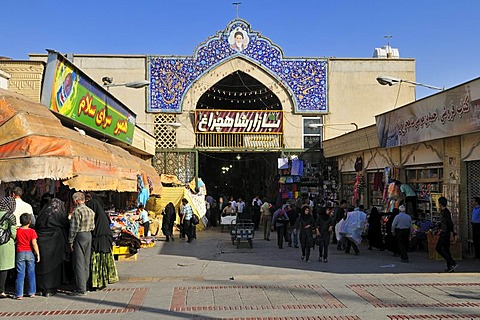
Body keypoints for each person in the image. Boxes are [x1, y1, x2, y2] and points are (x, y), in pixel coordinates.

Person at [35, 197, 70, 297]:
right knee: (54, 268)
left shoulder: (42, 215)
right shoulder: (59, 216)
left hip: (42, 244)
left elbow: (37, 226)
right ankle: (51, 289)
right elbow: (66, 225)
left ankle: (42, 288)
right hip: (55, 245)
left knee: (42, 265)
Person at [86, 193, 118, 291]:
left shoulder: (96, 218)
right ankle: (103, 281)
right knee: (104, 263)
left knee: (97, 263)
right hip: (106, 242)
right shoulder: (103, 216)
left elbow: (93, 230)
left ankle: (97, 282)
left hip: (98, 243)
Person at [68, 192, 95, 296]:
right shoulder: (90, 211)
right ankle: (85, 284)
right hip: (88, 235)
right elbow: (93, 226)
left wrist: (70, 241)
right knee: (86, 261)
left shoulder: (77, 211)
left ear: (76, 200)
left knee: (79, 262)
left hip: (80, 236)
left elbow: (74, 228)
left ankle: (81, 288)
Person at [14, 213, 40, 299]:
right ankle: (32, 292)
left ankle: (19, 294)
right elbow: (34, 243)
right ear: (30, 221)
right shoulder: (32, 231)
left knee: (20, 273)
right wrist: (38, 254)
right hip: (29, 252)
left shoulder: (18, 231)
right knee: (31, 273)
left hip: (20, 252)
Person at [436, 196, 458, 272]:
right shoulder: (442, 212)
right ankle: (450, 266)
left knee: (438, 248)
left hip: (445, 233)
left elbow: (450, 224)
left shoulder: (446, 212)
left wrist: (451, 235)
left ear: (440, 203)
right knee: (446, 249)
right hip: (443, 232)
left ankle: (452, 262)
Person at [0, 197, 17, 298]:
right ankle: (1, 290)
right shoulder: (11, 216)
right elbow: (13, 233)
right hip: (6, 244)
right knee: (4, 268)